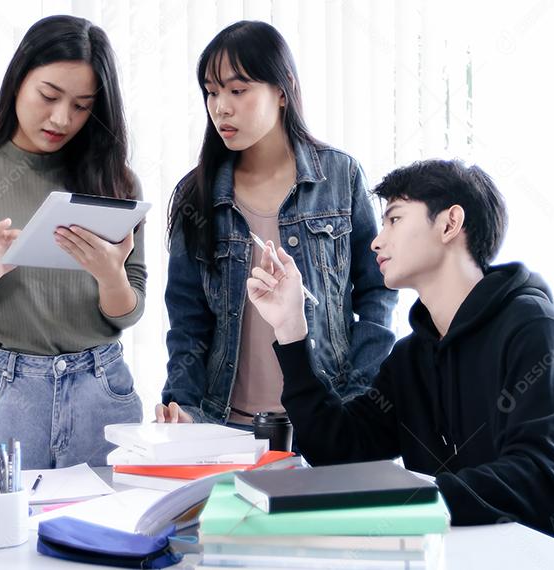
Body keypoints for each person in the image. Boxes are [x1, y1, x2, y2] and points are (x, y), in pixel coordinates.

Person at [244, 159, 554, 560]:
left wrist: (409, 499)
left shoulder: (537, 333)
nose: (376, 241)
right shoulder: (413, 356)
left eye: (394, 219)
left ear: (449, 224)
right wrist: (290, 331)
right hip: (461, 551)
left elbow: (537, 477)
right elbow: (339, 448)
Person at [0, 15, 145, 469]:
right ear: (18, 80)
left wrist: (110, 275)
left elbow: (130, 311)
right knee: (0, 535)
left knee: (107, 535)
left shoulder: (116, 182)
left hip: (103, 390)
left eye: (82, 106)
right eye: (49, 96)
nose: (62, 118)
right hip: (6, 393)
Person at [157, 21, 397, 428]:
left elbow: (378, 290)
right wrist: (183, 405)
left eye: (237, 90)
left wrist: (360, 385)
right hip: (224, 424)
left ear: (282, 92)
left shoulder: (339, 177)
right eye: (212, 92)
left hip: (327, 414)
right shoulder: (195, 195)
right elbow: (187, 323)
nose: (221, 107)